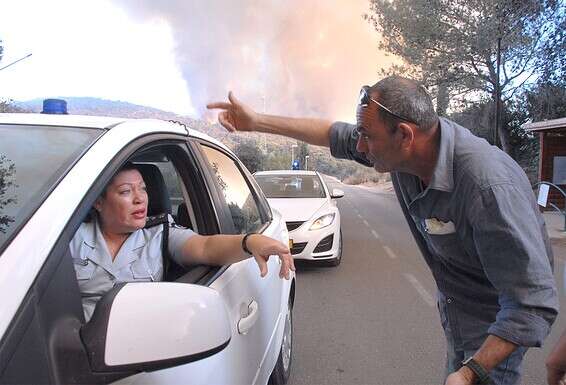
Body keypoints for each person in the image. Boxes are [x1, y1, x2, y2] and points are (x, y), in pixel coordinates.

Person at [207, 76, 558, 385]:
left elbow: (530, 305)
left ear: (405, 136)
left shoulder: (487, 189)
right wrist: (256, 121)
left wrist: (471, 373)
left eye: (367, 137)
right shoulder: (406, 150)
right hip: (458, 317)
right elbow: (334, 134)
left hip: (493, 333)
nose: (359, 147)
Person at [70, 163, 295, 322]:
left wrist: (249, 241)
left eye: (144, 189)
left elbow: (206, 247)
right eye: (126, 191)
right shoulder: (70, 238)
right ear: (98, 202)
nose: (140, 198)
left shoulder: (160, 232)